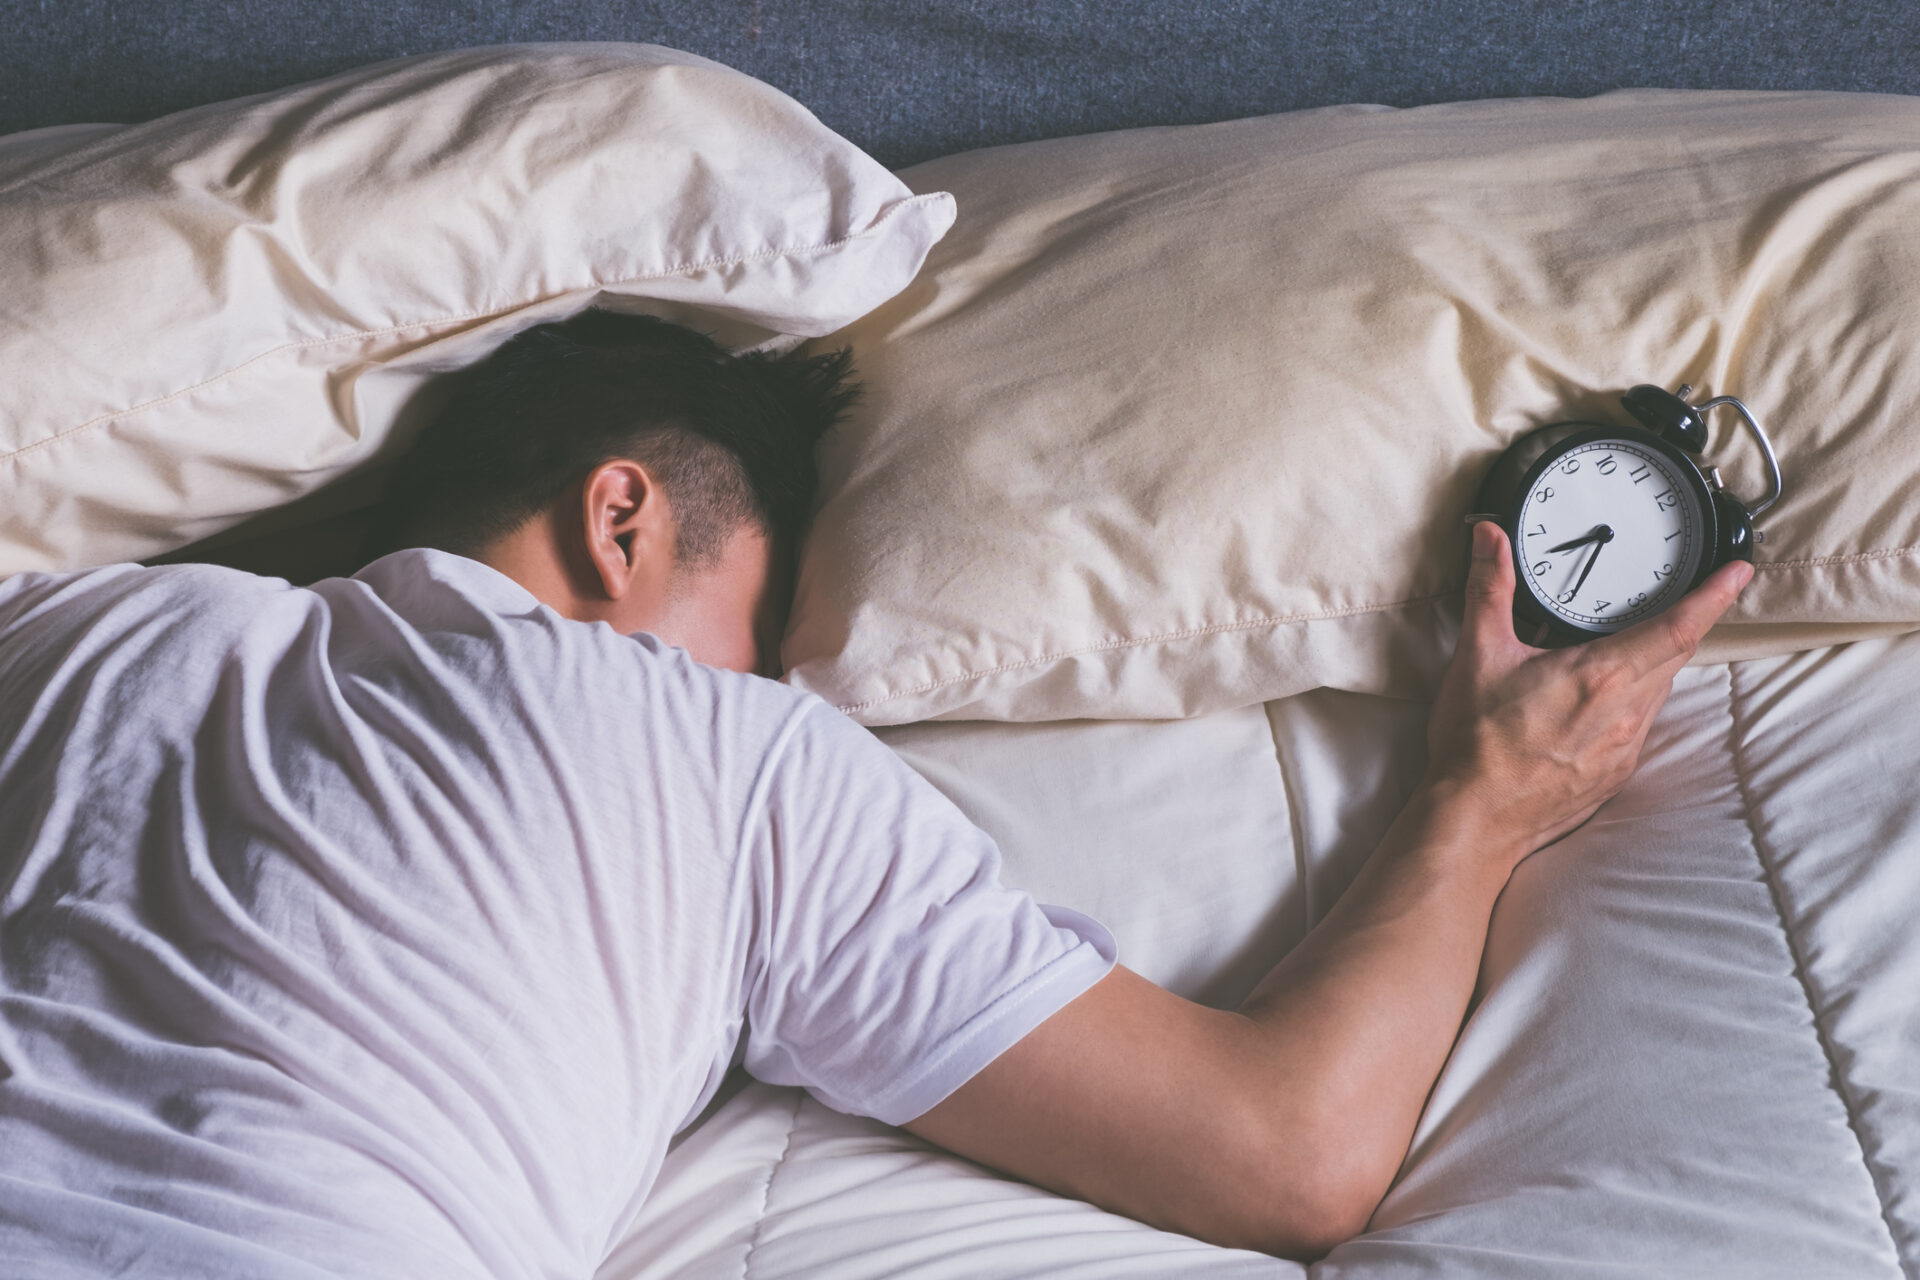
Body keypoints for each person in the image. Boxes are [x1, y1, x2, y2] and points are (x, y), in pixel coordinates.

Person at [0, 310, 1751, 1274]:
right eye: (750, 629)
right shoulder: (713, 752)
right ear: (625, 519)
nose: (763, 680)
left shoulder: (67, 631)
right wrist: (1486, 793)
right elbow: (1286, 1154)